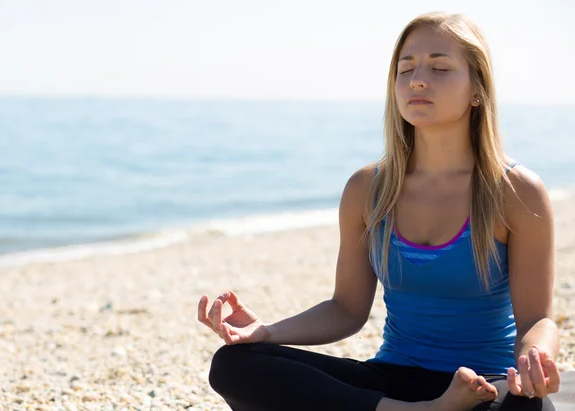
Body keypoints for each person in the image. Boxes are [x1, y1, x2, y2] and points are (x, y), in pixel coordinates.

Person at [197, 11, 562, 411]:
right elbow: (347, 309)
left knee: (531, 407)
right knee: (234, 364)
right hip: (391, 381)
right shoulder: (368, 189)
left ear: (477, 88)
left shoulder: (516, 191)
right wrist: (265, 332)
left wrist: (535, 356)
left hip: (483, 386)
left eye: (439, 67)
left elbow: (535, 321)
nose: (418, 79)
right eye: (406, 69)